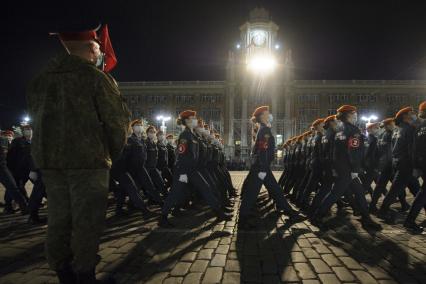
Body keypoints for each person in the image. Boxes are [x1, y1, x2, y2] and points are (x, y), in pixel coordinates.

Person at [27, 25, 130, 283]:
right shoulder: (95, 78)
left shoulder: (40, 79)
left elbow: (36, 118)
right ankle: (84, 273)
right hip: (88, 161)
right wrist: (108, 152)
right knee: (87, 221)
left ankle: (61, 269)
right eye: (96, 47)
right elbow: (117, 124)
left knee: (58, 217)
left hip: (51, 162)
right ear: (88, 47)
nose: (98, 52)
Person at [312, 105, 381, 230]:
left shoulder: (338, 129)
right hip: (348, 168)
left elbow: (333, 150)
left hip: (340, 166)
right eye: (355, 114)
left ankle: (366, 218)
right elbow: (353, 151)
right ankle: (317, 216)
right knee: (335, 193)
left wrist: (335, 166)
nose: (356, 116)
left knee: (359, 192)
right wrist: (355, 169)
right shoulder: (353, 130)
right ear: (349, 115)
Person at [159, 110, 232, 227]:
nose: (195, 120)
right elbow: (181, 154)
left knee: (206, 188)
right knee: (175, 193)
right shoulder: (184, 135)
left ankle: (219, 213)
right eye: (193, 118)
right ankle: (163, 217)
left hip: (193, 170)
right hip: (183, 170)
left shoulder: (193, 135)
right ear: (187, 120)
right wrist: (183, 172)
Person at [239, 106, 300, 229]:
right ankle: (243, 219)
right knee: (252, 193)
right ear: (262, 116)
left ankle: (290, 212)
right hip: (261, 166)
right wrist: (262, 167)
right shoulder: (264, 130)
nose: (270, 115)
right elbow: (263, 150)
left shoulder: (263, 129)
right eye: (268, 113)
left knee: (276, 190)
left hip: (263, 165)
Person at [377, 107, 420, 223]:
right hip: (407, 164)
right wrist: (416, 165)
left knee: (417, 190)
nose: (414, 114)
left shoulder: (397, 129)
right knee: (395, 190)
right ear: (405, 116)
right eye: (411, 113)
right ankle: (383, 211)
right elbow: (412, 149)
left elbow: (393, 148)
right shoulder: (410, 129)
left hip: (399, 162)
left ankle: (389, 210)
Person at [7, 124, 46, 224]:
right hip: (20, 170)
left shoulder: (34, 141)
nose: (28, 131)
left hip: (32, 169)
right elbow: (11, 155)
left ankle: (30, 208)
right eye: (26, 129)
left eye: (29, 129)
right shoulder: (18, 141)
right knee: (15, 187)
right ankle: (10, 206)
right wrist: (11, 168)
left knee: (40, 188)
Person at [403, 101, 426, 233]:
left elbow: (414, 149)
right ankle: (410, 220)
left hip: (421, 163)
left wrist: (416, 166)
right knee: (423, 193)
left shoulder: (418, 127)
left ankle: (410, 220)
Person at [0, 130, 28, 214]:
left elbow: (9, 155)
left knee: (13, 187)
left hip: (2, 168)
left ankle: (24, 207)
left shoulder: (3, 140)